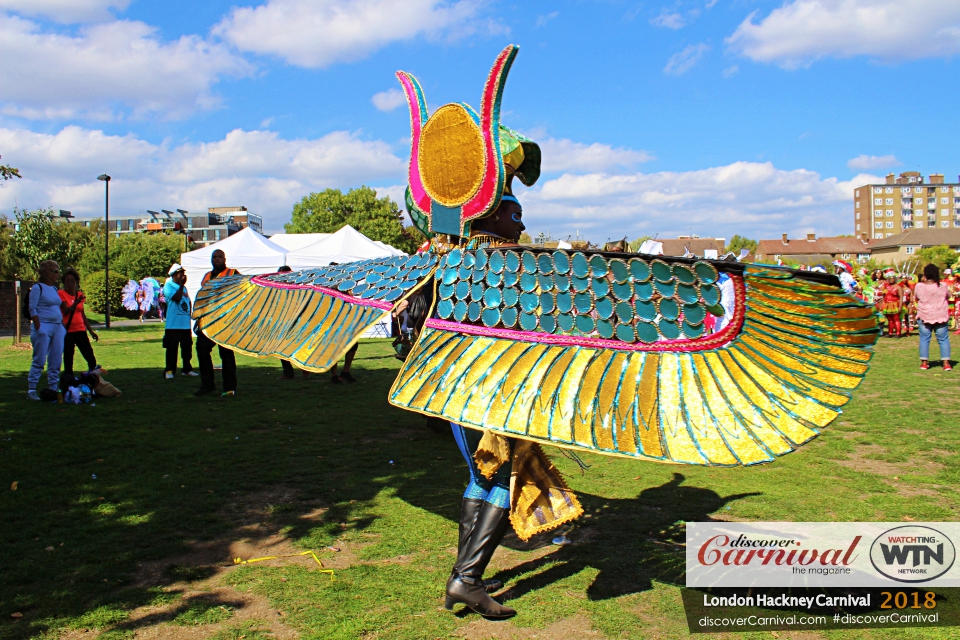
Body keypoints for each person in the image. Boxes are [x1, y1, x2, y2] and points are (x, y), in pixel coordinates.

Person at [195, 249, 239, 396]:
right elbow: (203, 299)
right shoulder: (207, 276)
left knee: (226, 354)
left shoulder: (233, 273)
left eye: (219, 257)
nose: (217, 259)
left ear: (224, 259)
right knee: (202, 350)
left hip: (225, 321)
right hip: (208, 321)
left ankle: (229, 387)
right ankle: (207, 385)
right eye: (214, 257)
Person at [27, 260, 66, 400]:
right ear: (47, 273)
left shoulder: (55, 289)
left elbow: (57, 307)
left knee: (56, 358)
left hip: (57, 327)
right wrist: (39, 328)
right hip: (44, 326)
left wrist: (61, 325)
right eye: (55, 271)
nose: (57, 274)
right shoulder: (38, 288)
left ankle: (53, 387)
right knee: (39, 359)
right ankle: (32, 389)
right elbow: (32, 308)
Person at [58, 268, 99, 376]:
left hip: (80, 330)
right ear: (64, 283)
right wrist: (76, 302)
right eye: (67, 281)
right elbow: (66, 311)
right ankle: (69, 382)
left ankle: (92, 379)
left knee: (90, 357)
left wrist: (91, 331)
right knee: (68, 358)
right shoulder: (61, 294)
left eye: (72, 281)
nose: (70, 283)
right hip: (68, 331)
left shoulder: (79, 295)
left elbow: (82, 314)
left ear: (76, 282)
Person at [913, 263, 952, 371]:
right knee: (943, 340)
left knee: (924, 339)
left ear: (925, 274)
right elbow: (948, 296)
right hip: (940, 315)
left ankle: (924, 363)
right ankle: (946, 364)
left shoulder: (919, 286)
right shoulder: (943, 285)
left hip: (924, 315)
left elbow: (915, 297)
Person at [162, 263, 197, 379]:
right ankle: (169, 371)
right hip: (173, 325)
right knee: (172, 349)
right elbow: (177, 298)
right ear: (175, 275)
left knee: (187, 349)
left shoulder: (184, 288)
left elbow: (187, 302)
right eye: (181, 274)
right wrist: (181, 285)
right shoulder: (169, 286)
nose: (183, 276)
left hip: (185, 325)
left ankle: (187, 369)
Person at [275, 266, 310, 380]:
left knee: (296, 346)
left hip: (295, 320)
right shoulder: (277, 289)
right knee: (280, 347)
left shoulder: (296, 287)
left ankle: (304, 368)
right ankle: (288, 372)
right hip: (282, 321)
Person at [875, 269, 903, 338]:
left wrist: (900, 306)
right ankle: (890, 333)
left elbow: (901, 297)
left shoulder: (898, 287)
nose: (891, 280)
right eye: (889, 278)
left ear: (895, 279)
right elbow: (880, 290)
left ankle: (898, 333)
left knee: (896, 319)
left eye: (892, 278)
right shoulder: (886, 286)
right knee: (890, 320)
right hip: (887, 305)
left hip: (895, 304)